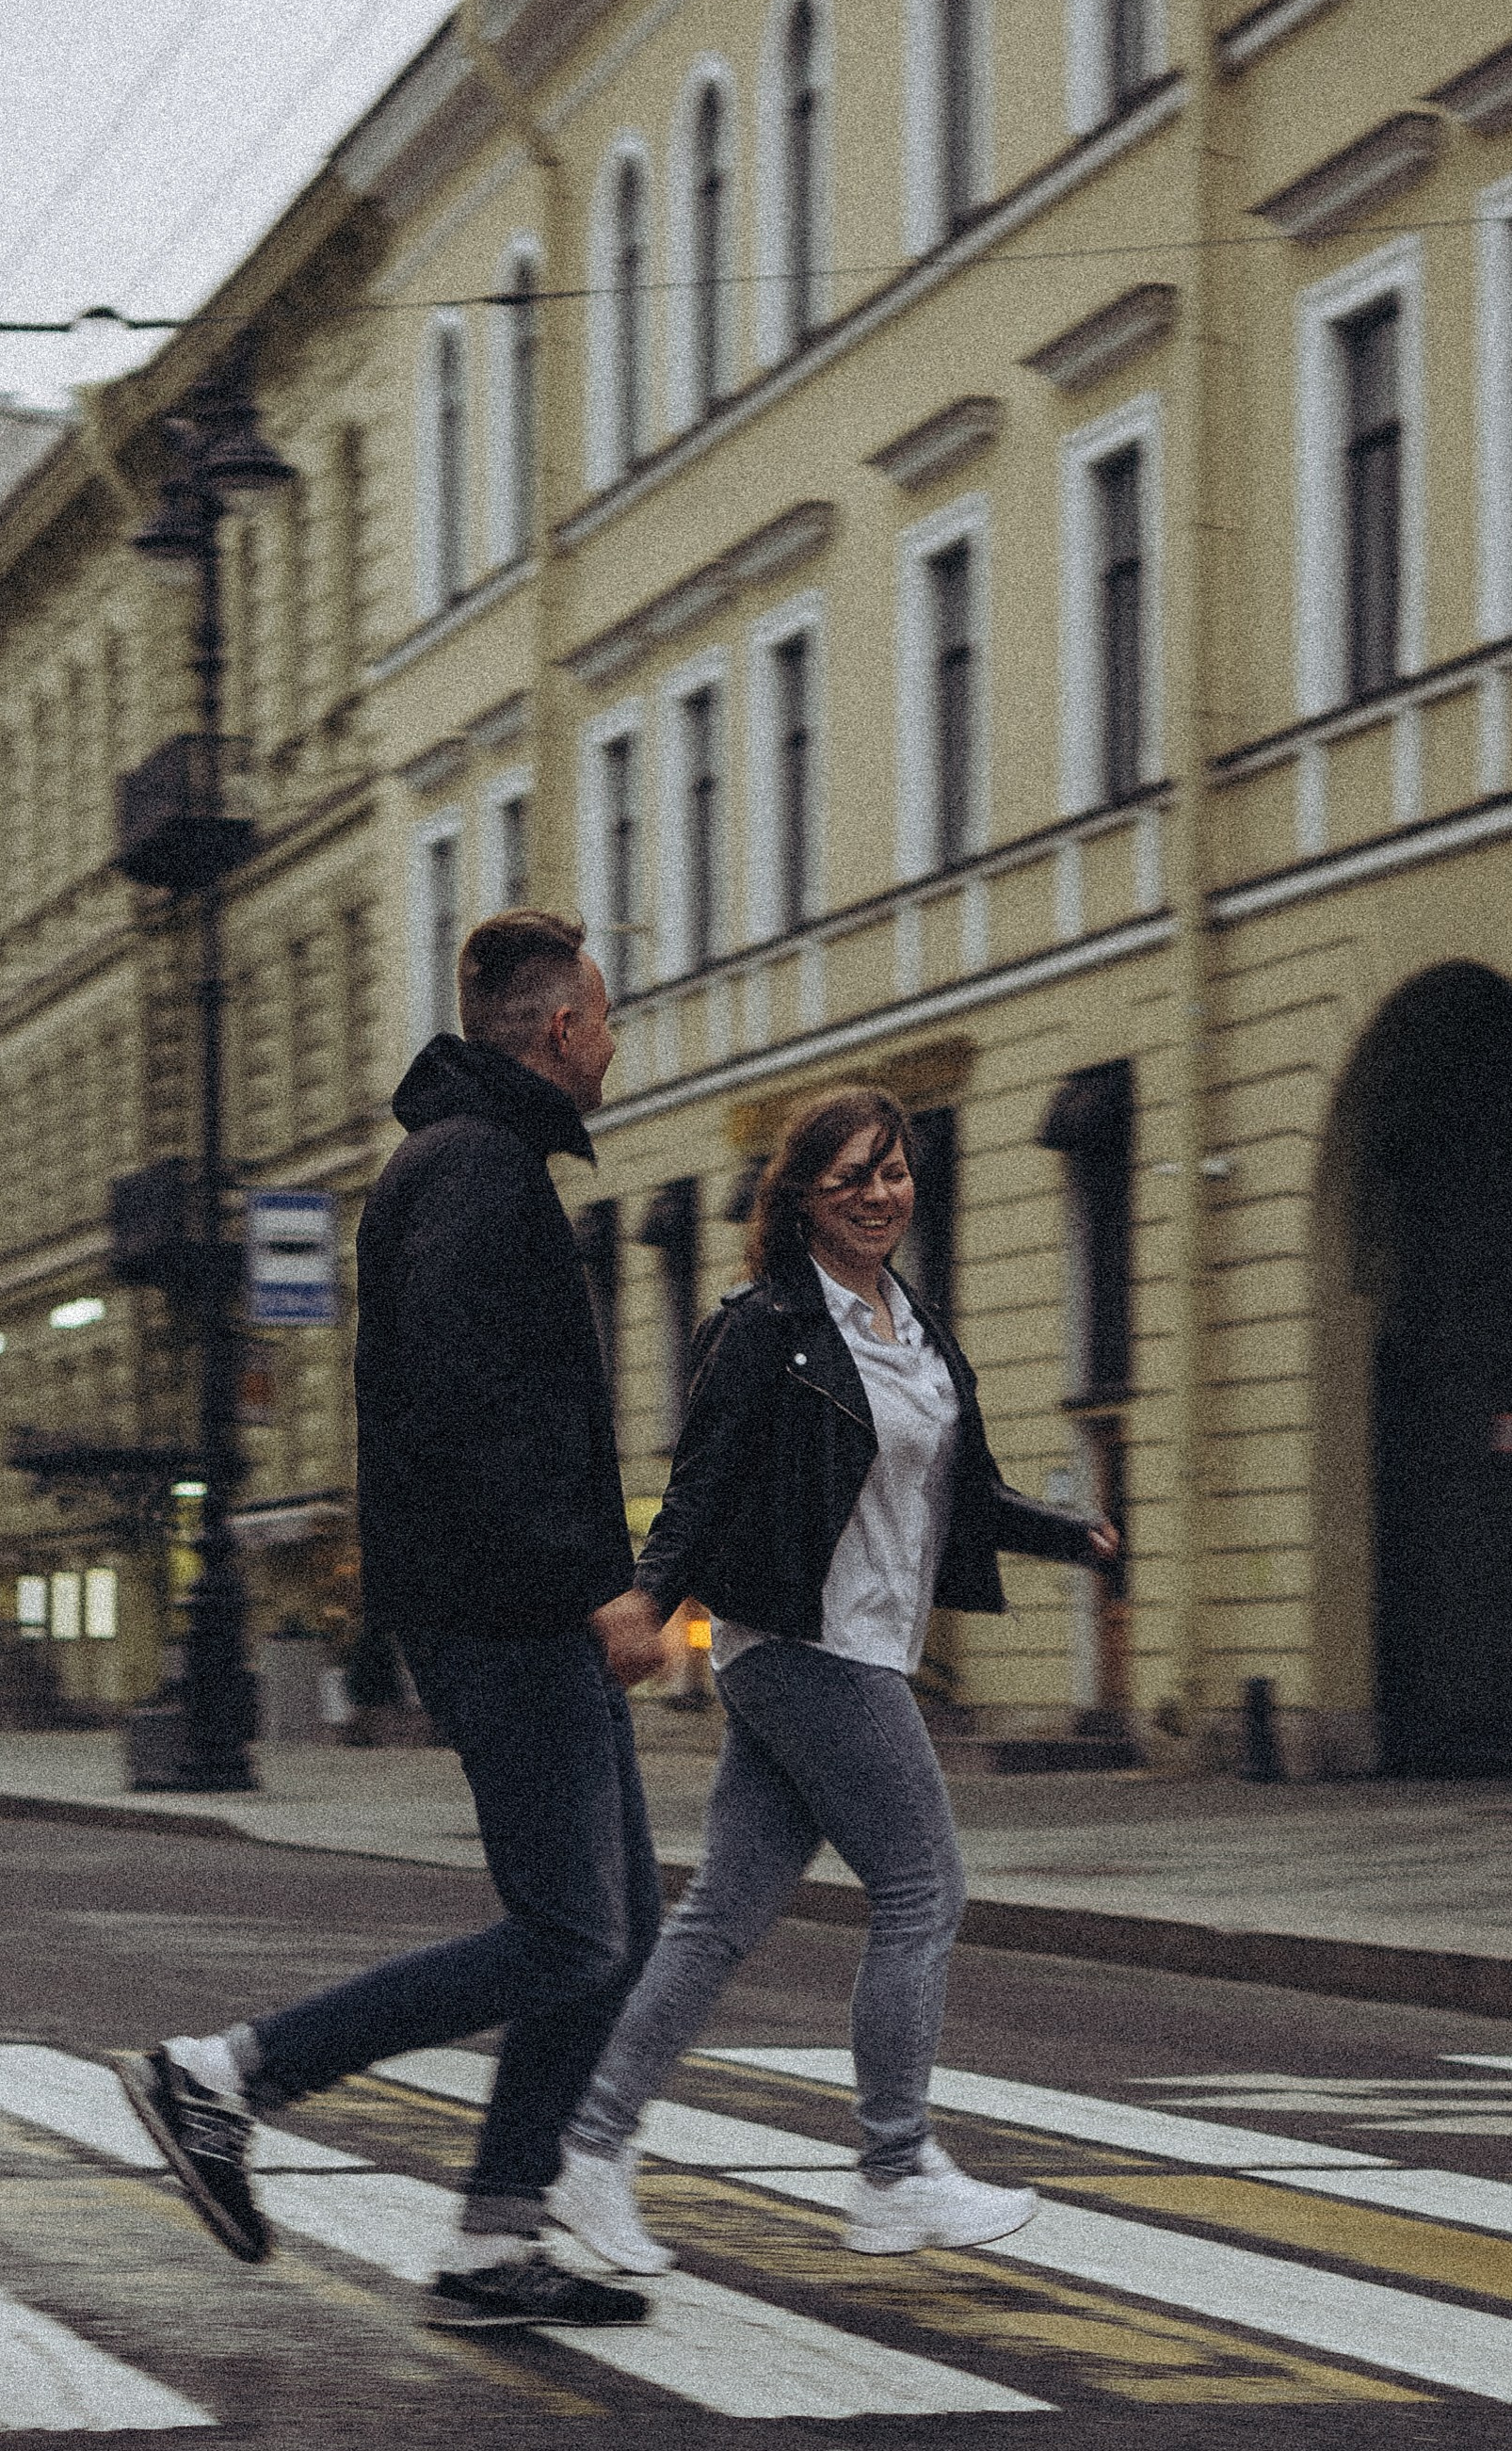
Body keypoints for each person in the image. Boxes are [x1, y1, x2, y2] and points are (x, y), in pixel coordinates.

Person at [119, 911, 667, 2331]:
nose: (611, 1039)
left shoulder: (463, 1166)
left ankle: (495, 2238)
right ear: (557, 1032)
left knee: (617, 1918)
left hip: (511, 1598)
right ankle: (228, 2072)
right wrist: (590, 1579)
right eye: (602, 1016)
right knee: (565, 1930)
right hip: (509, 1608)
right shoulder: (477, 1175)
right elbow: (480, 1411)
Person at [561, 1086, 1119, 2270]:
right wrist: (649, 1601)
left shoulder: (912, 1325)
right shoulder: (765, 1323)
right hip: (809, 1647)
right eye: (851, 1176)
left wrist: (1075, 1536)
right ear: (802, 1195)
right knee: (924, 1891)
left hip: (844, 1648)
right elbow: (701, 1481)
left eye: (895, 1171)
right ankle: (893, 2168)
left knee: (720, 1915)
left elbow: (963, 1494)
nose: (879, 1193)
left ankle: (590, 2147)